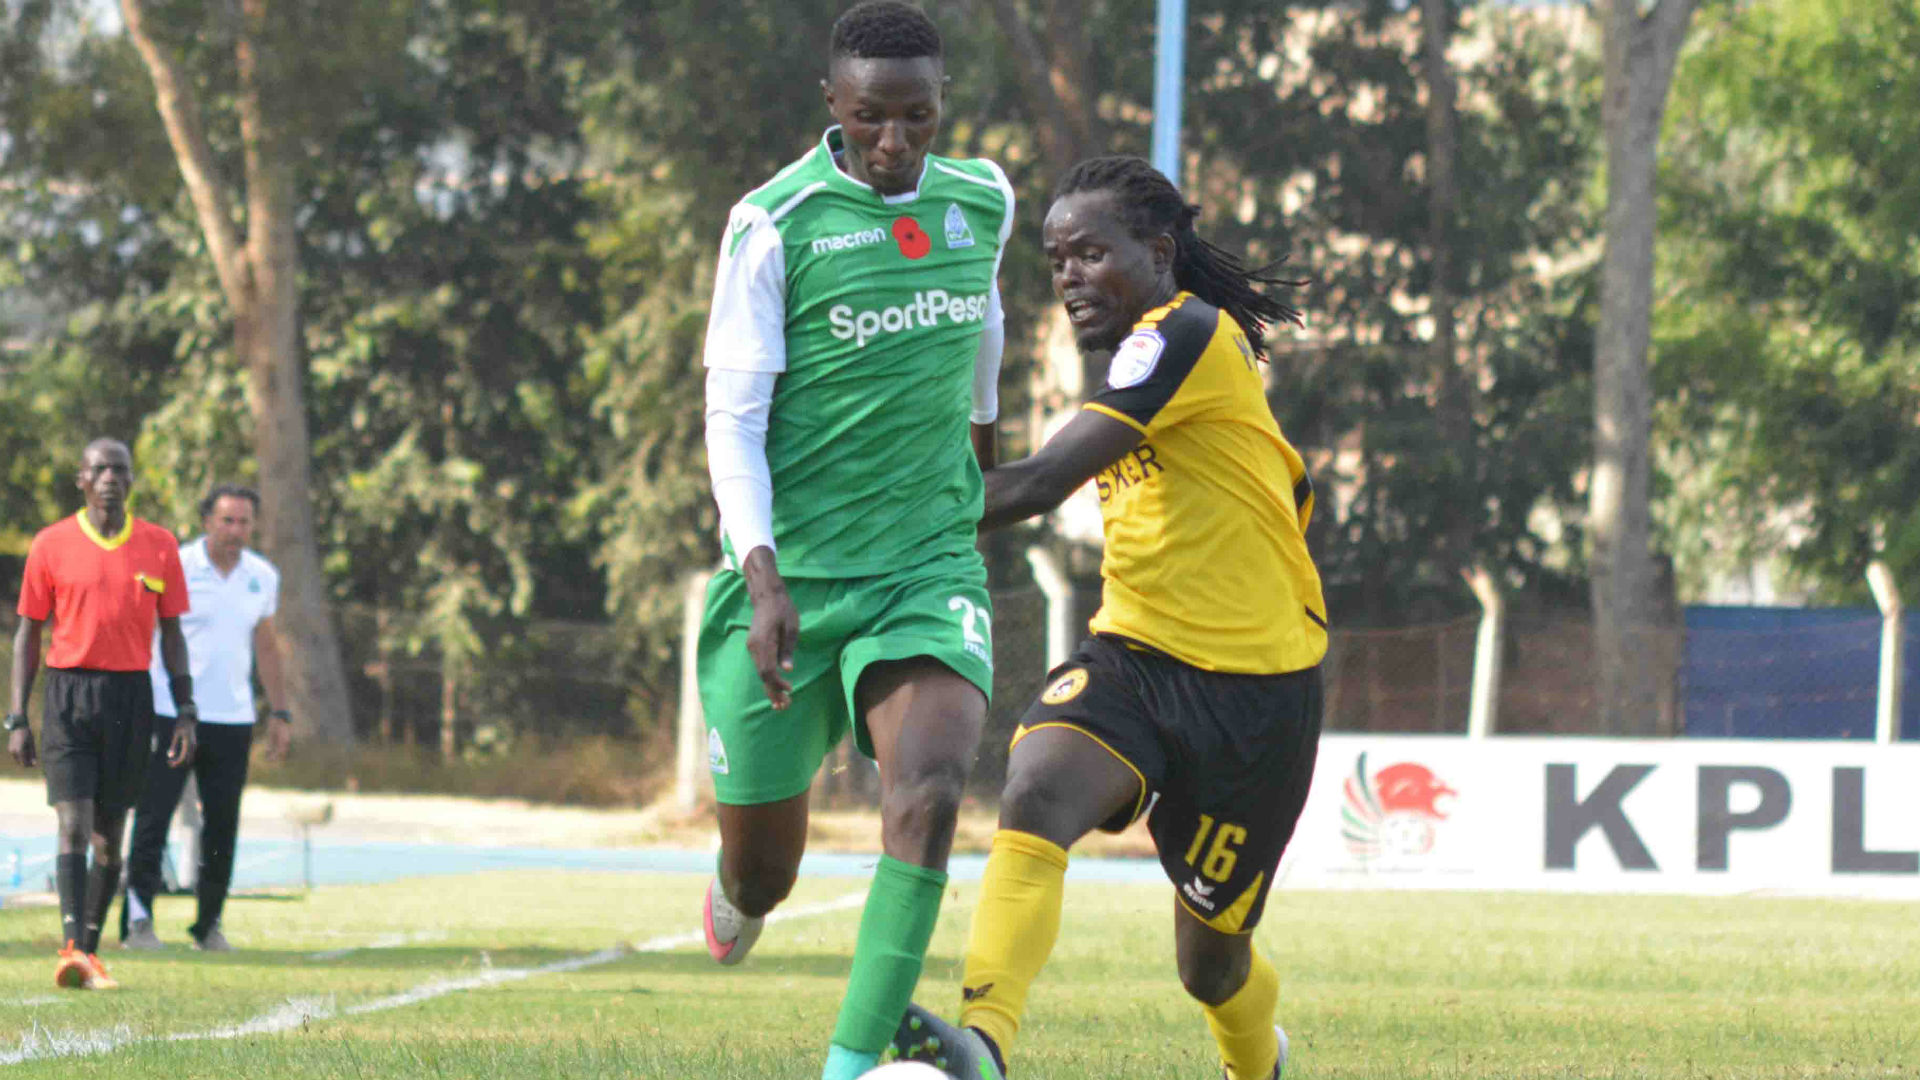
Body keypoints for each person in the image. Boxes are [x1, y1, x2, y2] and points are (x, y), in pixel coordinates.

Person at [891, 156, 1327, 1080]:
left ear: (1160, 253)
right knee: (1036, 790)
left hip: (1256, 692)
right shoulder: (1149, 355)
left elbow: (1040, 483)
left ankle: (1260, 1062)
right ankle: (982, 1046)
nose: (1070, 278)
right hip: (1134, 655)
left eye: (1091, 253)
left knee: (1210, 968)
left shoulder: (1184, 333)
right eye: (1057, 260)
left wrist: (863, 518)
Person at [694, 3, 1013, 1077]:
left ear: (942, 103)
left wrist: (980, 458)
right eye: (871, 116)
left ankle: (848, 1069)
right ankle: (735, 889)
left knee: (929, 796)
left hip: (926, 565)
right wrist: (763, 578)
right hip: (792, 580)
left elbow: (984, 328)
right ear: (833, 102)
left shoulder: (984, 199)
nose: (893, 141)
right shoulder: (772, 223)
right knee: (766, 875)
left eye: (917, 116)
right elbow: (732, 419)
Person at [7, 438, 196, 990]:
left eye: (120, 469)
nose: (111, 477)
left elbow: (173, 634)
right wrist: (17, 715)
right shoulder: (51, 543)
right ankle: (72, 950)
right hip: (68, 695)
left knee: (110, 837)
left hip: (131, 698)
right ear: (82, 479)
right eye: (100, 468)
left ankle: (88, 952)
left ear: (131, 480)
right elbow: (28, 633)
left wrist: (185, 706)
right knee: (72, 823)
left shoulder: (160, 545)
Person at [122, 483, 290, 952]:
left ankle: (208, 925)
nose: (235, 530)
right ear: (207, 522)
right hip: (171, 713)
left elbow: (266, 646)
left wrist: (280, 712)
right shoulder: (175, 565)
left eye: (244, 522)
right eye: (227, 520)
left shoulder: (262, 576)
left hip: (233, 719)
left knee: (222, 826)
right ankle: (137, 921)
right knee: (153, 817)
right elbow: (145, 632)